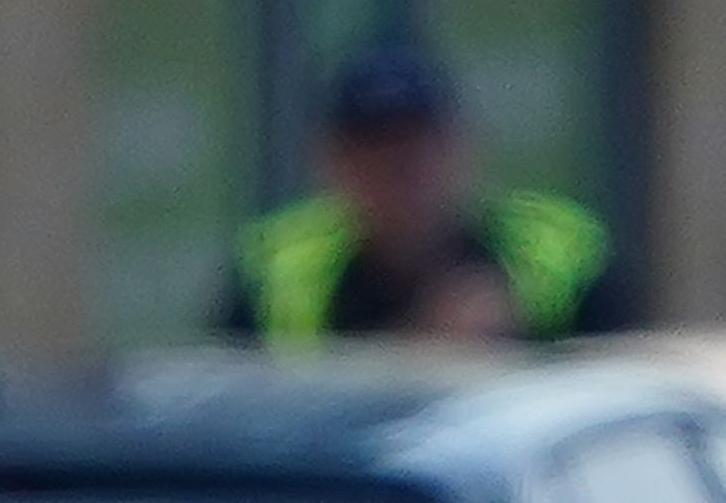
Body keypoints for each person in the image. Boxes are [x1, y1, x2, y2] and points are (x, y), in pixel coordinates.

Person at [228, 43, 631, 348]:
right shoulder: (276, 267)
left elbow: (627, 383)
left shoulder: (559, 250)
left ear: (467, 146)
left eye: (421, 147)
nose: (402, 172)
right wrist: (422, 346)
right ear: (329, 162)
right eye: (374, 149)